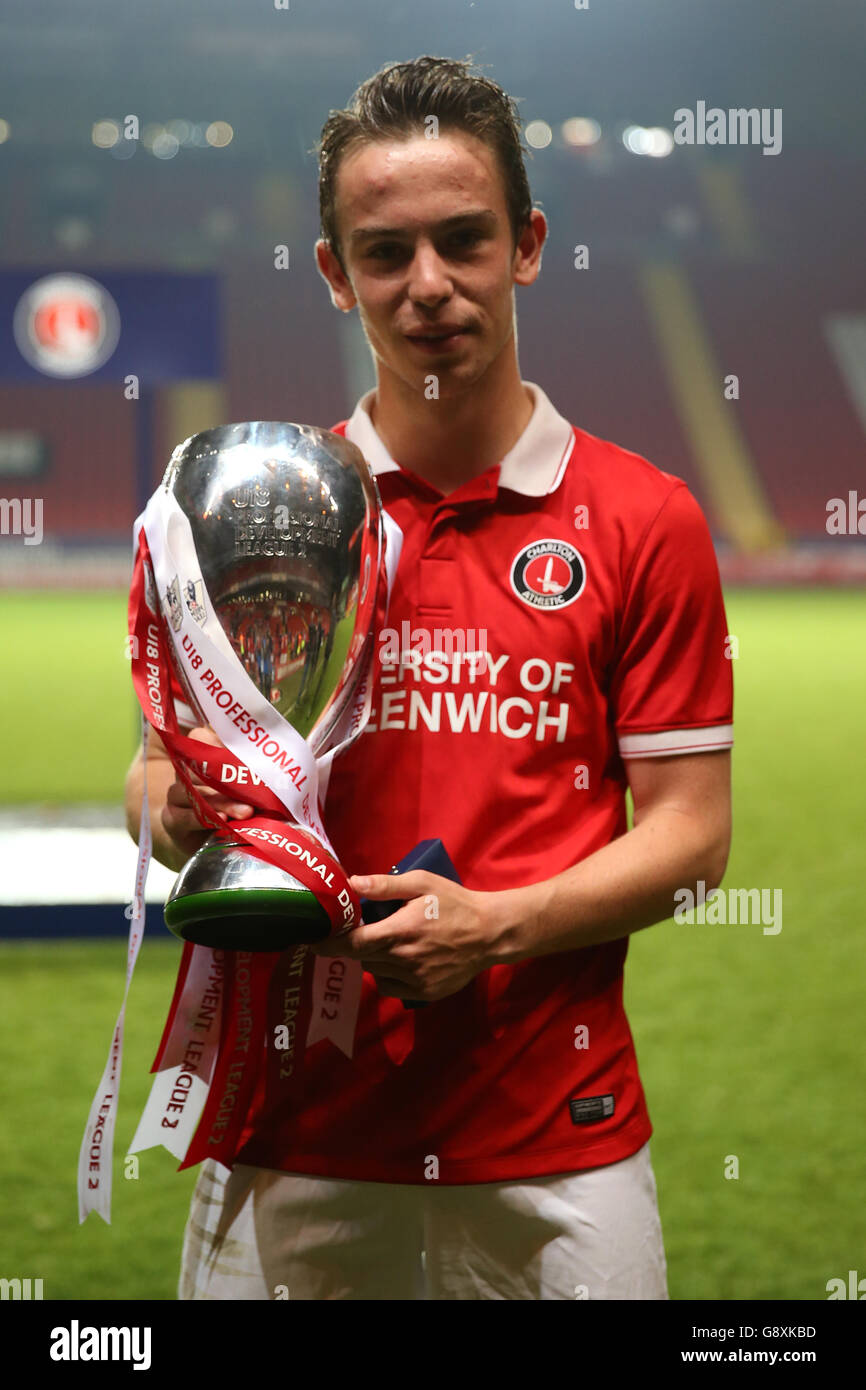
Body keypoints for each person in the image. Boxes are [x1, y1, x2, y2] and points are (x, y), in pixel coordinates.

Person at [125, 55, 733, 1301]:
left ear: (527, 244)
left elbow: (691, 837)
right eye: (385, 252)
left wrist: (496, 927)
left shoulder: (641, 516)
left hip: (555, 1152)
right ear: (335, 273)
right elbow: (150, 780)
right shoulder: (254, 514)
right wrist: (178, 808)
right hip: (293, 1140)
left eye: (464, 239)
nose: (428, 286)